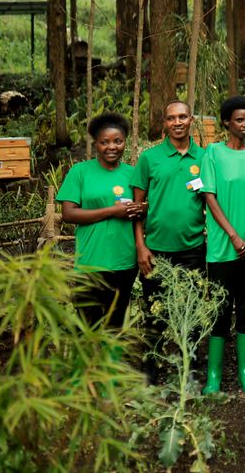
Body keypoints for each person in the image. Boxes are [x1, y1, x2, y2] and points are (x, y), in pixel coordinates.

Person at [132, 100, 207, 383]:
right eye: (171, 118)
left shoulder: (203, 158)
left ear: (191, 120)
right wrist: (141, 246)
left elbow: (210, 200)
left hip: (192, 249)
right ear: (164, 123)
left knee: (191, 312)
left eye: (183, 117)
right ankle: (151, 371)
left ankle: (189, 369)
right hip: (156, 250)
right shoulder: (149, 159)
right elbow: (137, 208)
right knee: (155, 312)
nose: (178, 122)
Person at [199, 96, 245, 395]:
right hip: (222, 248)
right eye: (239, 119)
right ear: (226, 122)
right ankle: (214, 377)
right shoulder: (212, 153)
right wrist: (234, 236)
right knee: (220, 311)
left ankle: (244, 373)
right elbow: (209, 197)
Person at [59, 113, 145, 329]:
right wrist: (111, 211)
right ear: (95, 143)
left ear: (125, 141)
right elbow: (69, 214)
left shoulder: (133, 174)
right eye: (104, 142)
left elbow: (142, 210)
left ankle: (113, 361)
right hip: (90, 260)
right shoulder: (80, 172)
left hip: (124, 261)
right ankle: (89, 364)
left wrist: (143, 208)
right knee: (87, 326)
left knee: (116, 324)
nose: (112, 147)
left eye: (118, 141)